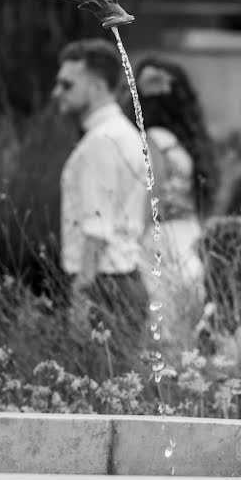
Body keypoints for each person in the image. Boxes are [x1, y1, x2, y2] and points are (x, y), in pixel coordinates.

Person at [54, 39, 149, 359]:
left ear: (95, 86)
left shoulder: (102, 140)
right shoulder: (123, 132)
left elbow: (96, 229)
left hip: (103, 286)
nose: (57, 92)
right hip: (122, 280)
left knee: (96, 395)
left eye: (67, 84)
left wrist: (80, 302)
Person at [131, 57, 219, 302]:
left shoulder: (154, 140)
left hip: (161, 240)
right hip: (189, 234)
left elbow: (152, 195)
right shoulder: (187, 145)